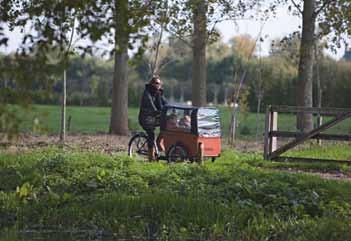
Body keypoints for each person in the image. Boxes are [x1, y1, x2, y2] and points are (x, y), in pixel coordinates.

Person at [138, 76, 167, 161]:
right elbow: (150, 104)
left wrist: (170, 109)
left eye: (160, 84)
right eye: (157, 83)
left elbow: (165, 103)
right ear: (152, 84)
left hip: (154, 117)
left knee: (166, 126)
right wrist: (157, 111)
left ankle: (158, 143)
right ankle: (151, 158)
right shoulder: (147, 93)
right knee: (151, 135)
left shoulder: (158, 93)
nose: (158, 85)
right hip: (146, 118)